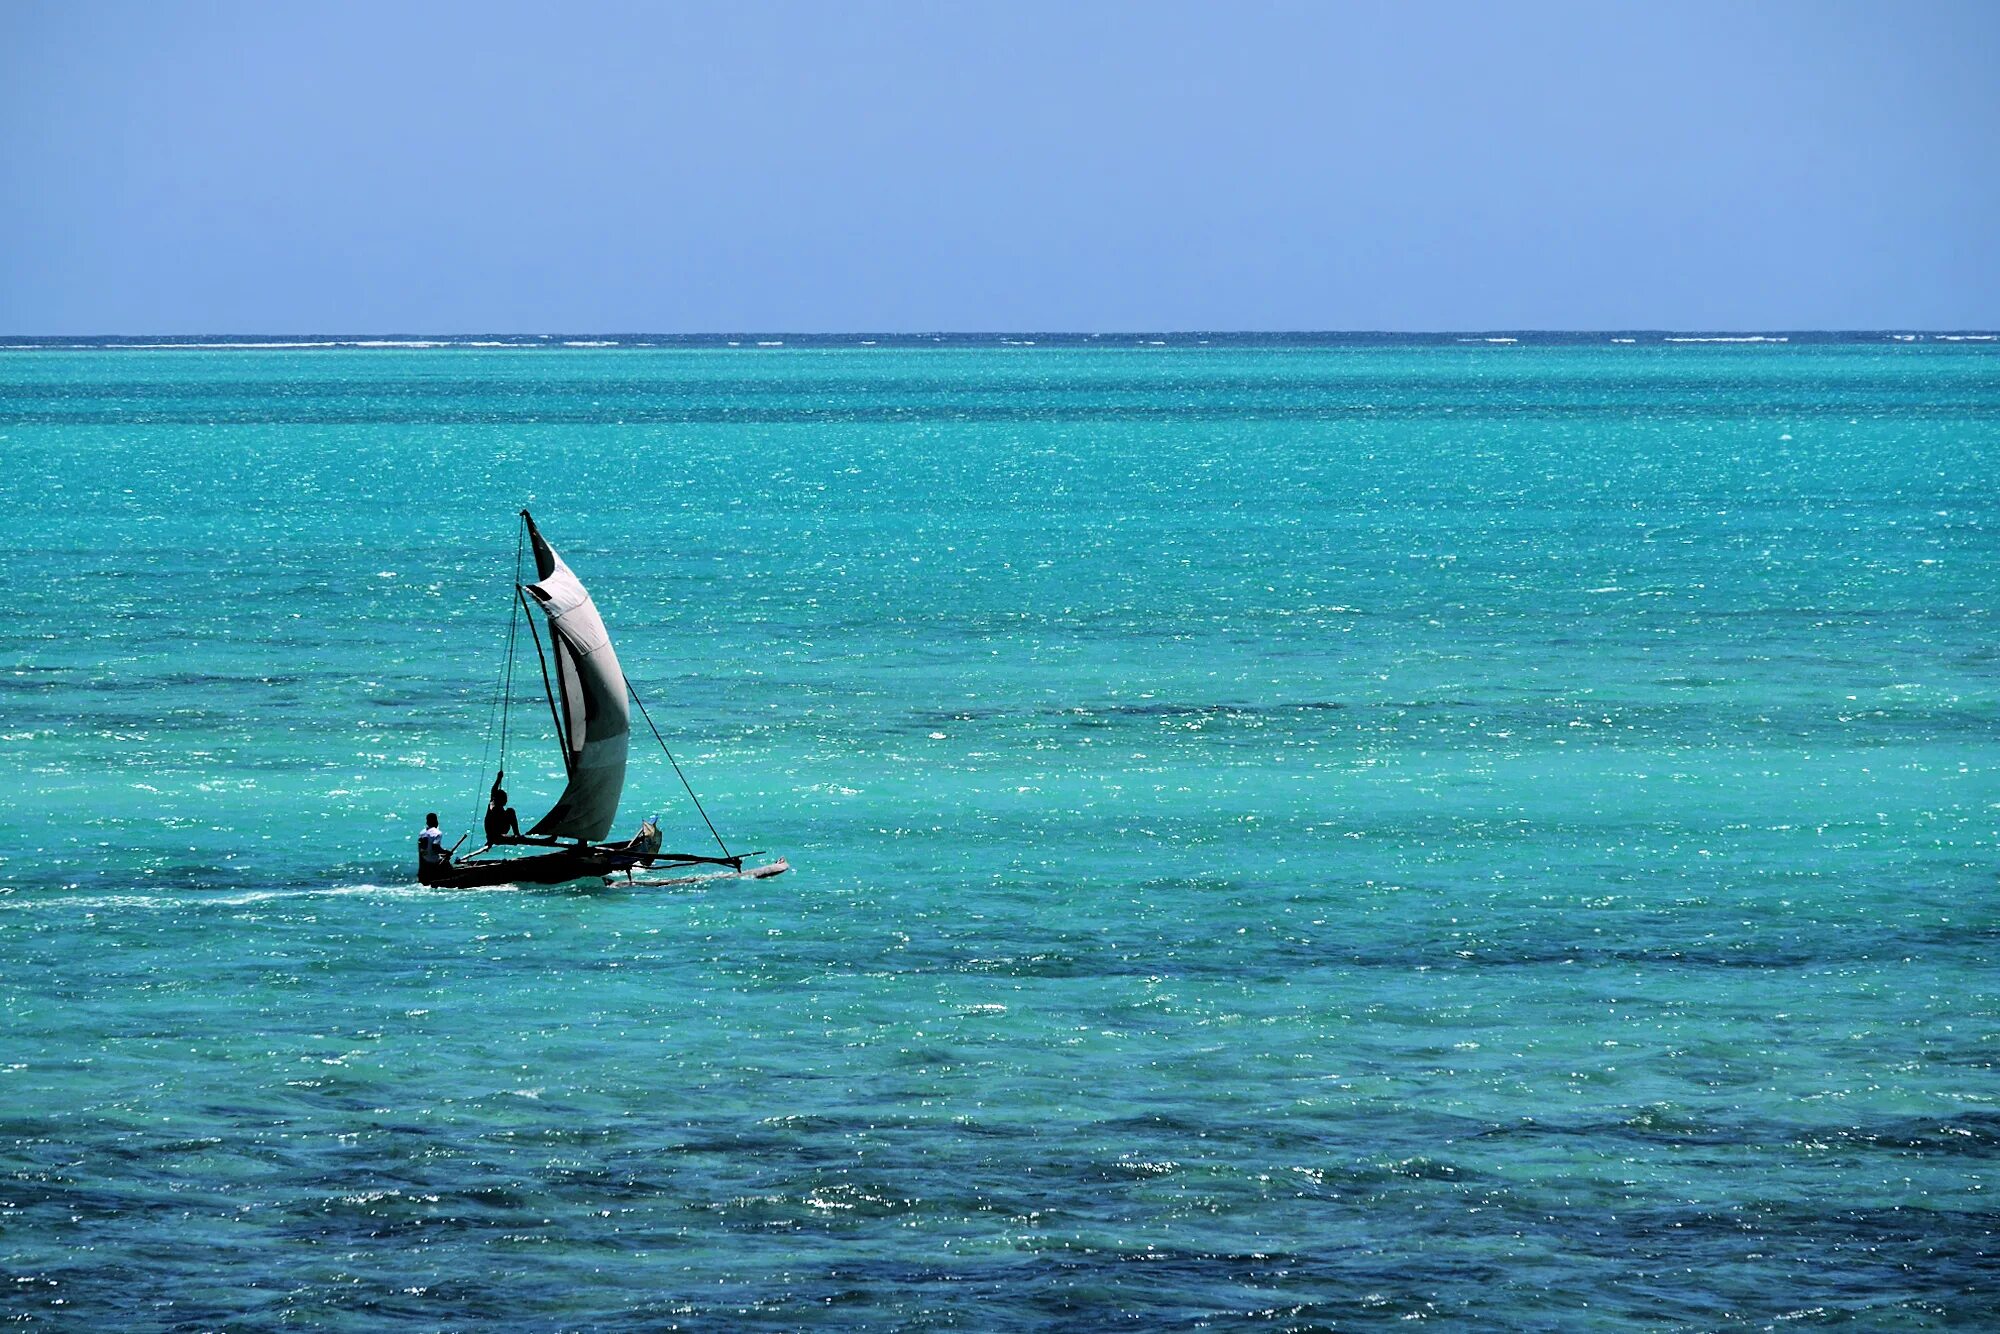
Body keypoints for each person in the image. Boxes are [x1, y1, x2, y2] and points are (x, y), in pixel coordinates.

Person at [485, 770, 523, 843]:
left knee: (510, 811)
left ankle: (517, 834)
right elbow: (494, 791)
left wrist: (499, 778)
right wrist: (498, 779)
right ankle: (517, 834)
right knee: (511, 811)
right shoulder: (493, 805)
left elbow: (494, 791)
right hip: (494, 834)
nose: (506, 801)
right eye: (505, 799)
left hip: (499, 831)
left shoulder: (496, 803)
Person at [418, 812, 448, 877]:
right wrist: (446, 852)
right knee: (446, 860)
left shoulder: (422, 833)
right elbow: (435, 847)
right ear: (436, 822)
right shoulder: (437, 833)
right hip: (433, 861)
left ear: (427, 822)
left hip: (425, 861)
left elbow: (423, 849)